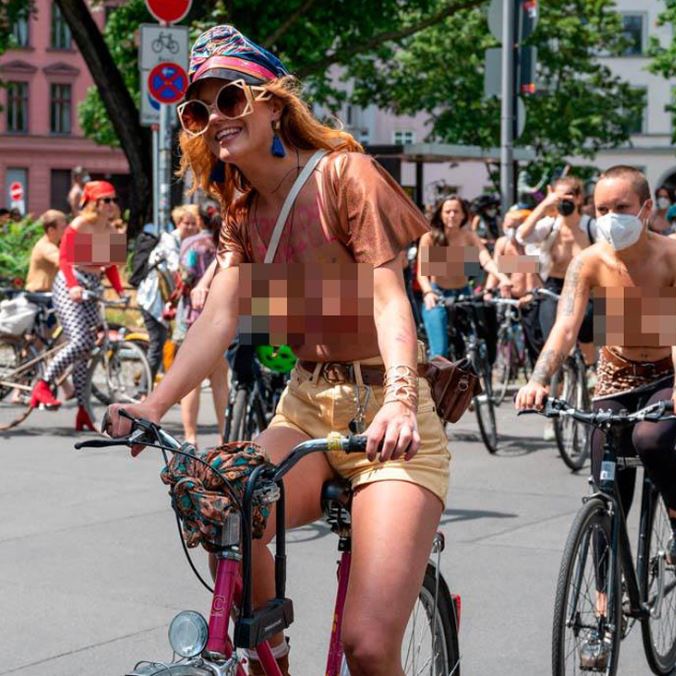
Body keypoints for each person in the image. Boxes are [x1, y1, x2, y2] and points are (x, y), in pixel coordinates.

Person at [103, 25, 449, 675]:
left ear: (272, 104)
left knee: (368, 646)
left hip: (387, 410)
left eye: (230, 99)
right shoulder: (243, 213)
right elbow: (218, 318)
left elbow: (388, 299)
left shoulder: (346, 176)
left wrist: (403, 400)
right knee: (221, 499)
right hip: (306, 406)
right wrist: (152, 404)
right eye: (198, 111)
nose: (215, 118)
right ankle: (273, 656)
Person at [515, 165, 676, 569]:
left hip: (672, 371)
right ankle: (606, 593)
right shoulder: (588, 261)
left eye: (621, 207)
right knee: (607, 484)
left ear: (646, 208)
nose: (609, 218)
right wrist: (538, 380)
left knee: (649, 441)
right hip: (617, 372)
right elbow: (565, 327)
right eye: (602, 209)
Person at [29, 181, 125, 430]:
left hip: (92, 285)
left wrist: (121, 292)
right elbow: (64, 259)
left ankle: (83, 410)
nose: (112, 204)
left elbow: (110, 267)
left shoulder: (111, 230)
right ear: (93, 203)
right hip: (70, 283)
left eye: (114, 199)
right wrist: (72, 286)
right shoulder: (81, 224)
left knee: (87, 350)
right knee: (81, 341)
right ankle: (43, 384)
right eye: (106, 200)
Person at [516, 176, 598, 368]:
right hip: (554, 285)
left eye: (568, 195)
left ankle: (592, 368)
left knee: (587, 329)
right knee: (550, 335)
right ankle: (556, 380)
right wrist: (544, 204)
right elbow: (522, 236)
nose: (563, 201)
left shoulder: (590, 226)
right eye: (558, 196)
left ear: (579, 198)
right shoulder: (550, 225)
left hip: (585, 287)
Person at [416, 195, 510, 359]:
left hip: (464, 293)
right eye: (447, 211)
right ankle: (436, 373)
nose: (452, 215)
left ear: (463, 215)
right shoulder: (430, 237)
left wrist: (503, 278)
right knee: (440, 351)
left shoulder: (469, 236)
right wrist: (428, 292)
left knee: (480, 340)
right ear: (440, 214)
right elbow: (422, 273)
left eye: (456, 211)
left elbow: (486, 260)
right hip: (438, 294)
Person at [176, 206, 228, 446]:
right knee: (220, 376)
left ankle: (191, 436)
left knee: (192, 379)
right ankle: (225, 434)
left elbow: (184, 279)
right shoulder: (227, 244)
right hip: (222, 316)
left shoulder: (192, 244)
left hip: (194, 317)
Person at [136, 208, 194, 381]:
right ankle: (143, 389)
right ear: (178, 223)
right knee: (157, 344)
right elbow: (176, 267)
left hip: (164, 300)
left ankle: (149, 381)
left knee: (161, 343)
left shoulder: (186, 242)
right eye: (186, 223)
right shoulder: (169, 240)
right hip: (152, 298)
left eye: (193, 223)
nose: (190, 227)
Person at [484, 207, 543, 364]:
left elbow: (530, 272)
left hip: (532, 296)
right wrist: (488, 290)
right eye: (508, 226)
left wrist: (529, 294)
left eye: (516, 226)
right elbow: (496, 269)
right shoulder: (502, 243)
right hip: (510, 297)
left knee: (535, 338)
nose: (511, 230)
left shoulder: (530, 243)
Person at [25, 209, 68, 292]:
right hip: (38, 295)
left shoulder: (58, 244)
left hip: (49, 293)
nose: (67, 230)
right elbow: (63, 261)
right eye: (63, 227)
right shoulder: (44, 246)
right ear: (51, 230)